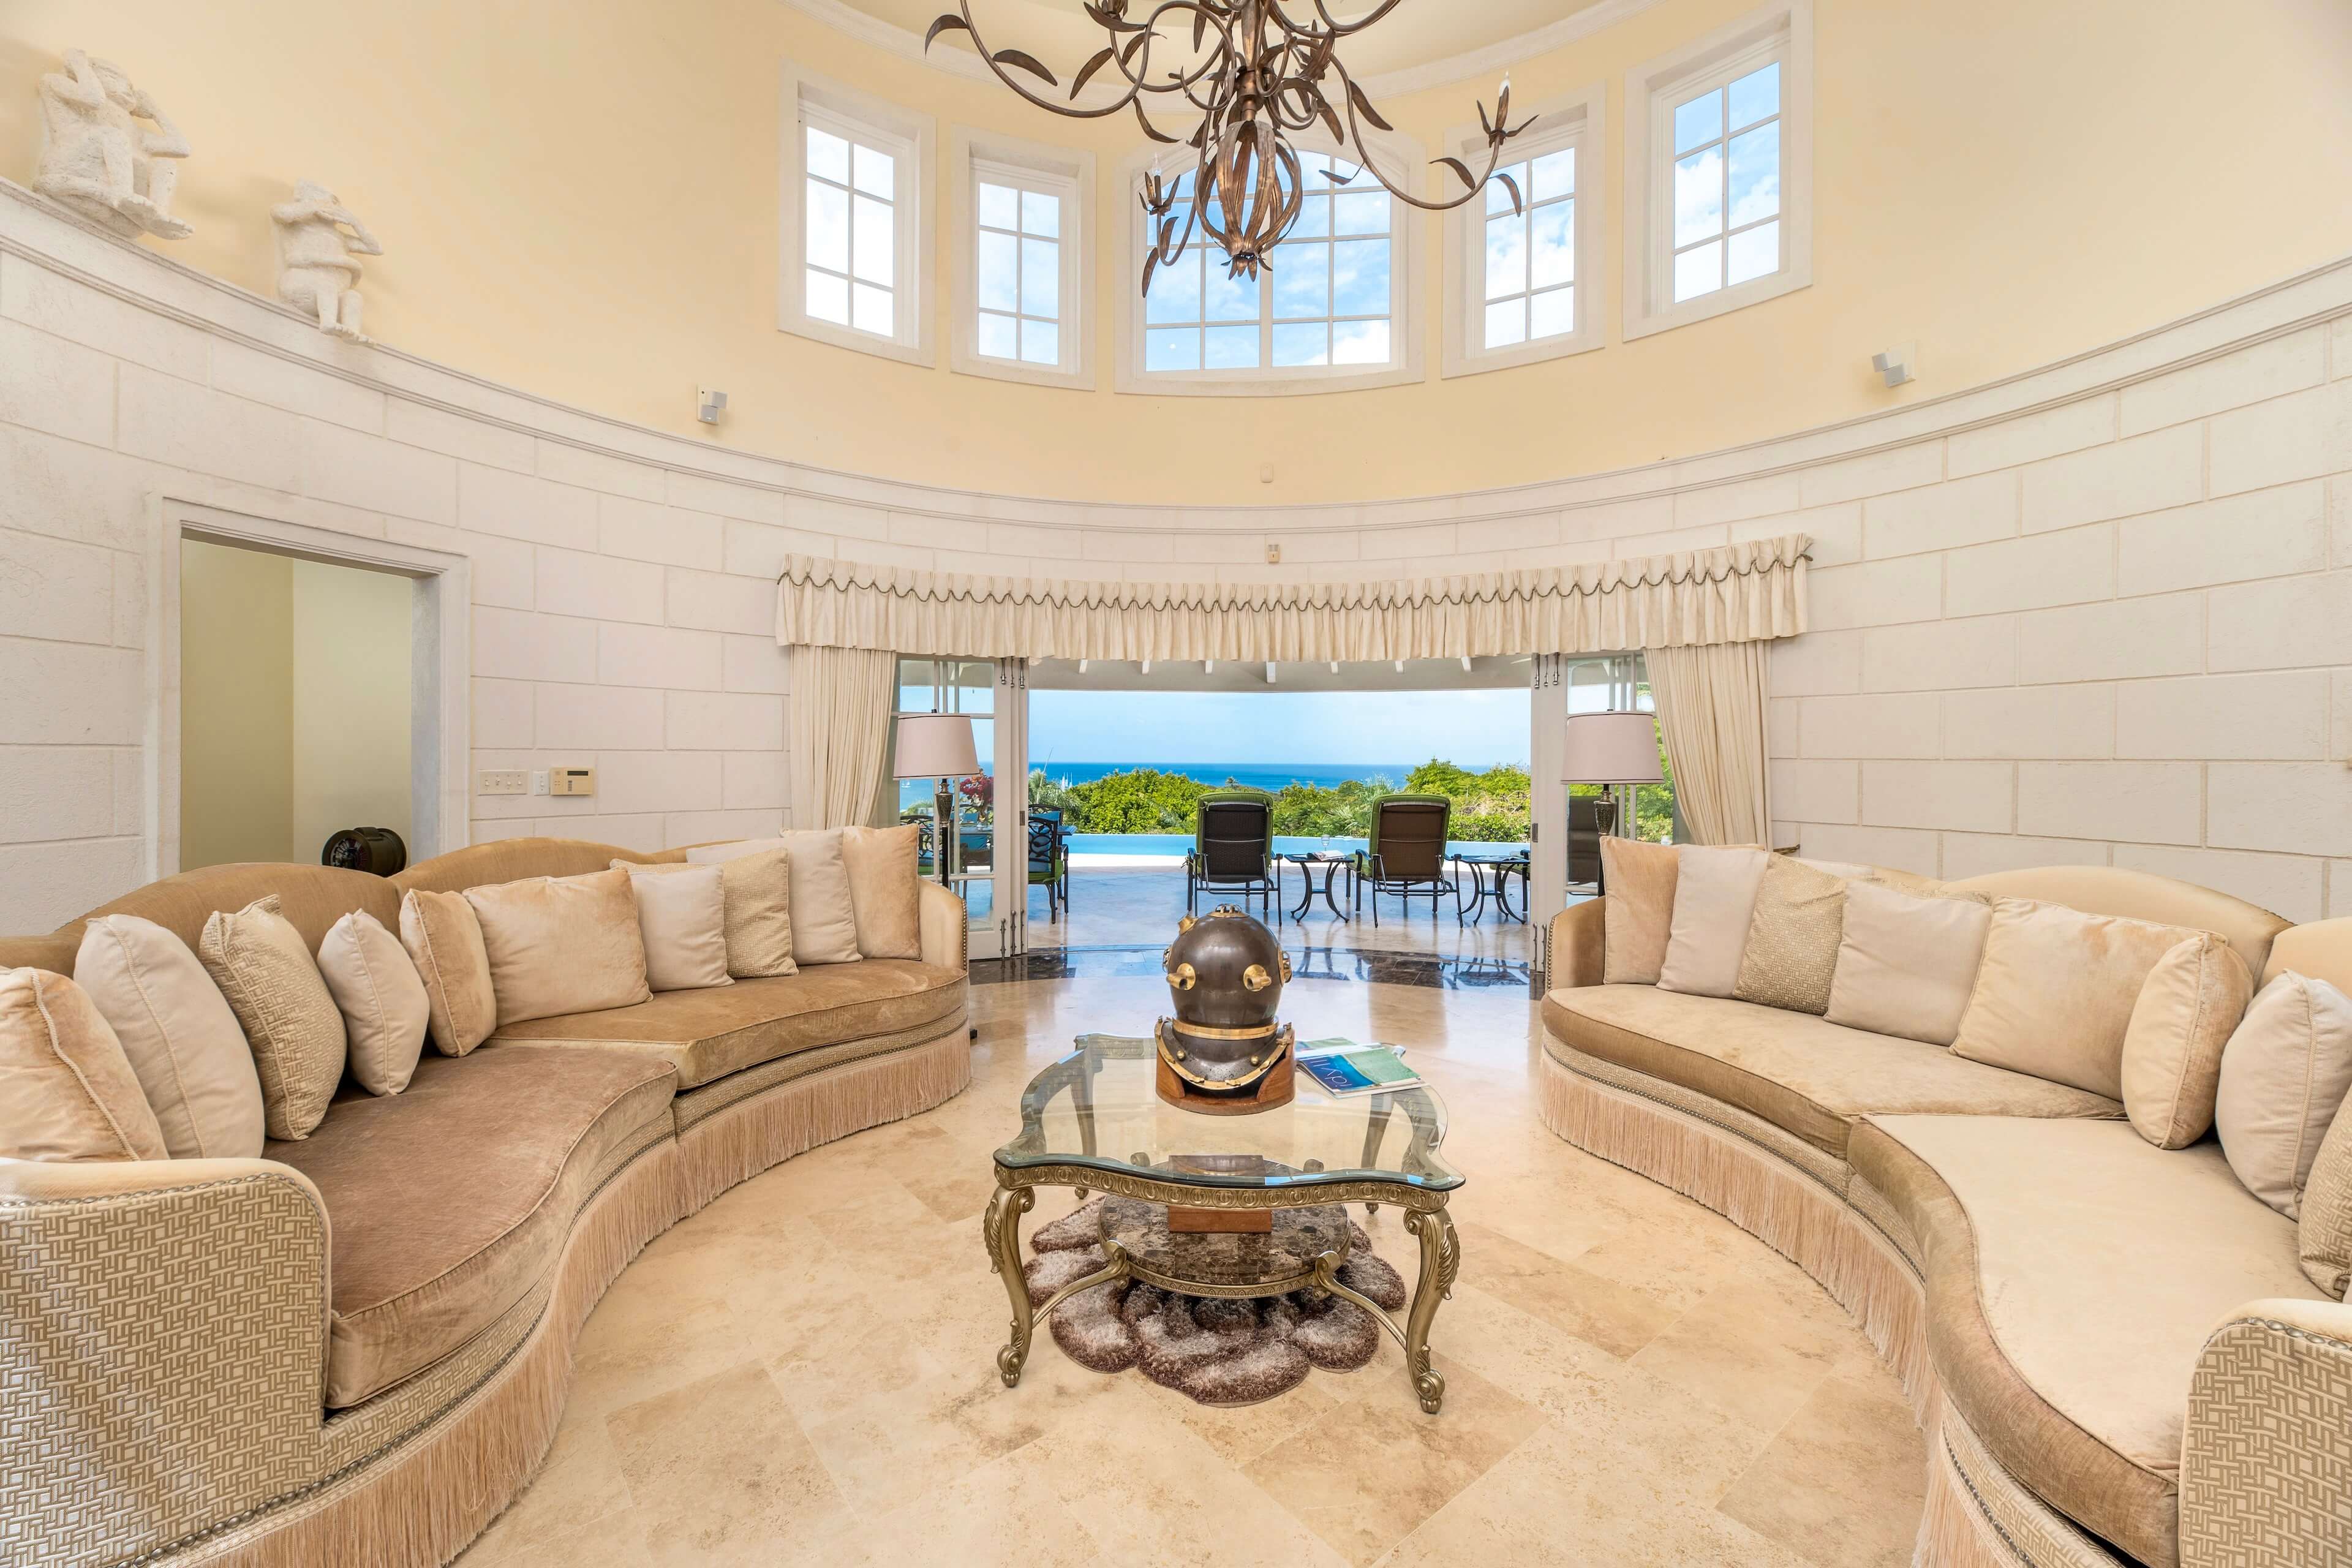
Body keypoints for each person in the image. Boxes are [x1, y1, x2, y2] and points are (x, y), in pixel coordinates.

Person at [35, 50, 193, 239]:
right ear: (94, 75)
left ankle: (156, 215)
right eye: (115, 78)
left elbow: (181, 147)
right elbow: (94, 99)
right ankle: (121, 195)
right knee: (113, 135)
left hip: (104, 181)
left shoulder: (132, 130)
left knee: (165, 164)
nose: (128, 89)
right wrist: (79, 64)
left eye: (130, 86)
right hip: (68, 163)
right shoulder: (55, 83)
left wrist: (155, 112)